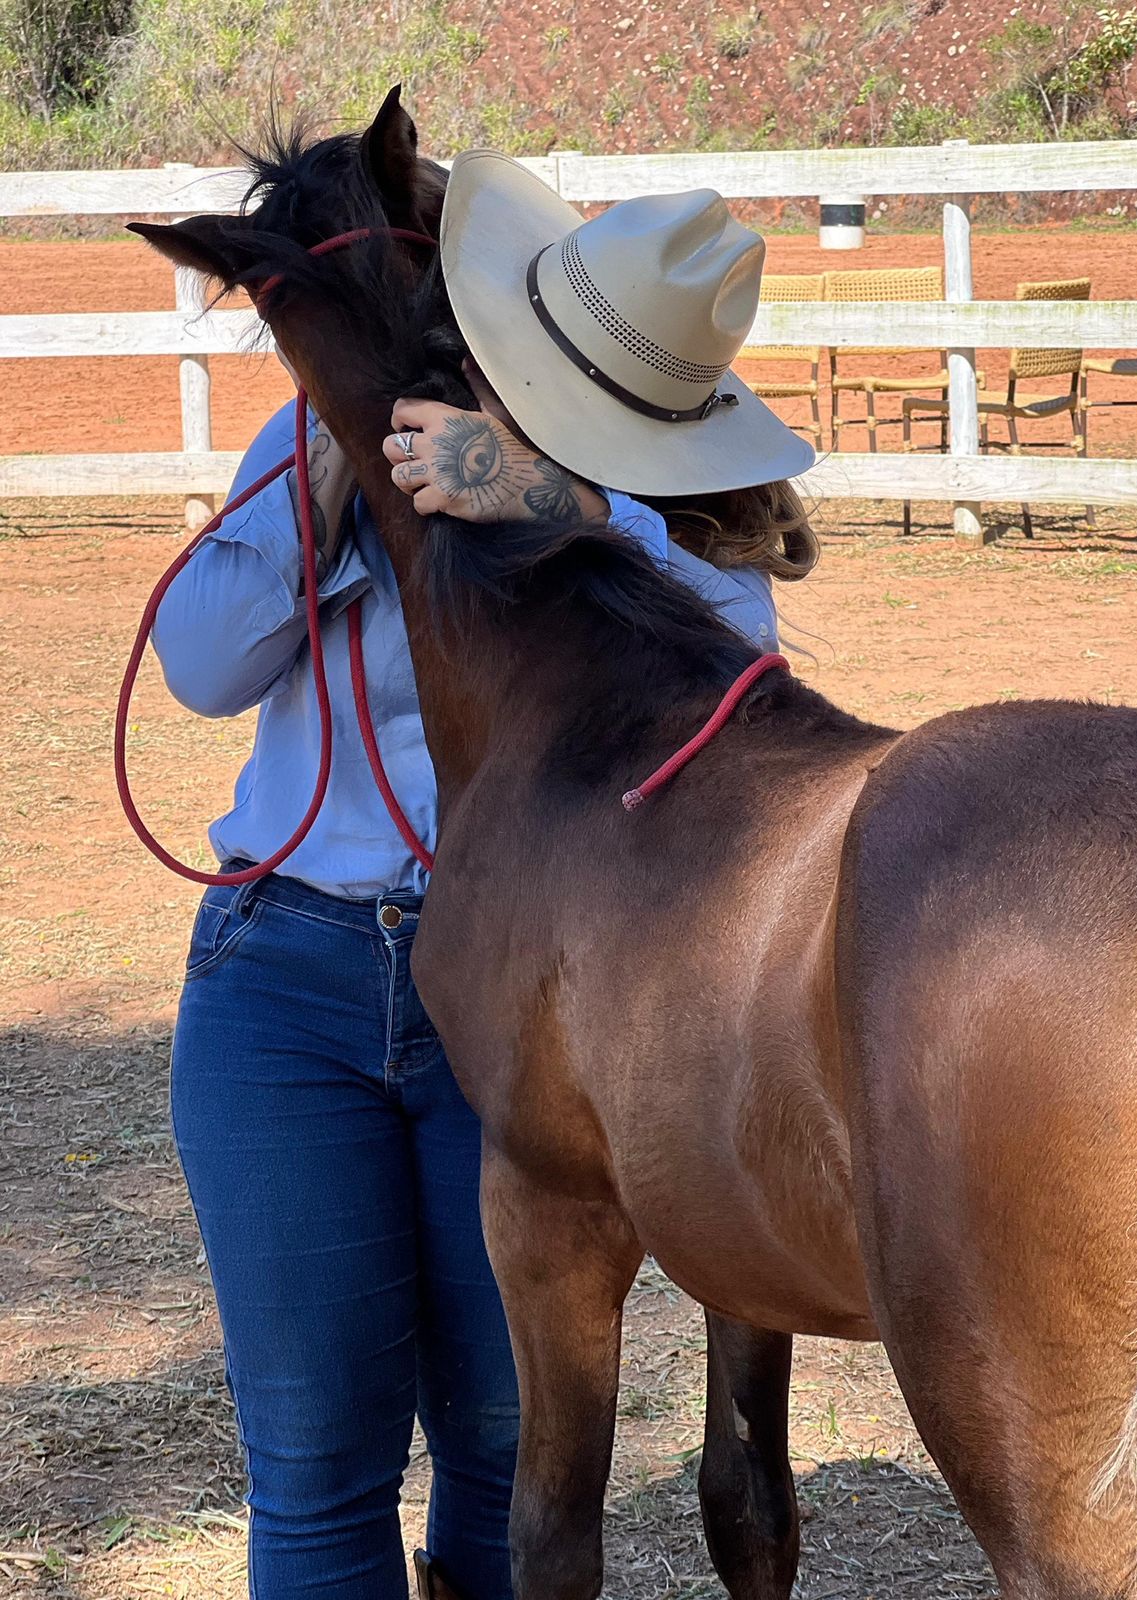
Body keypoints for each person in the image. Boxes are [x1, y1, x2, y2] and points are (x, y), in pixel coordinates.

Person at [152, 151, 819, 1600]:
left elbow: (742, 656)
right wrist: (332, 466)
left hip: (522, 989)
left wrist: (551, 500)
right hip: (290, 963)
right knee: (320, 1466)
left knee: (510, 1447)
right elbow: (200, 663)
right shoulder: (306, 438)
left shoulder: (651, 470)